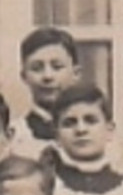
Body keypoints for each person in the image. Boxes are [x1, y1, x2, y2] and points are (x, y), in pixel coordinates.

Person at [13, 27, 83, 161]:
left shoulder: (94, 134)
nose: (47, 76)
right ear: (24, 76)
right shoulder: (15, 137)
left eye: (57, 67)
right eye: (37, 68)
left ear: (76, 73)